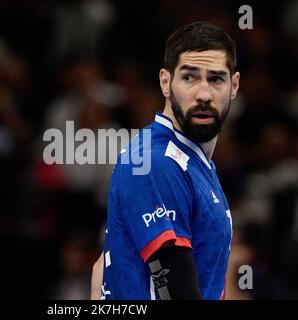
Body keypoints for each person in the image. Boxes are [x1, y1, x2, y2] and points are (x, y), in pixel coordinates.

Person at [91, 21, 240, 300]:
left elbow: (101, 267)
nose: (204, 94)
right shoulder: (154, 160)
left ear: (234, 86)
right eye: (189, 78)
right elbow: (173, 283)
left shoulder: (193, 161)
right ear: (165, 82)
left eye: (216, 79)